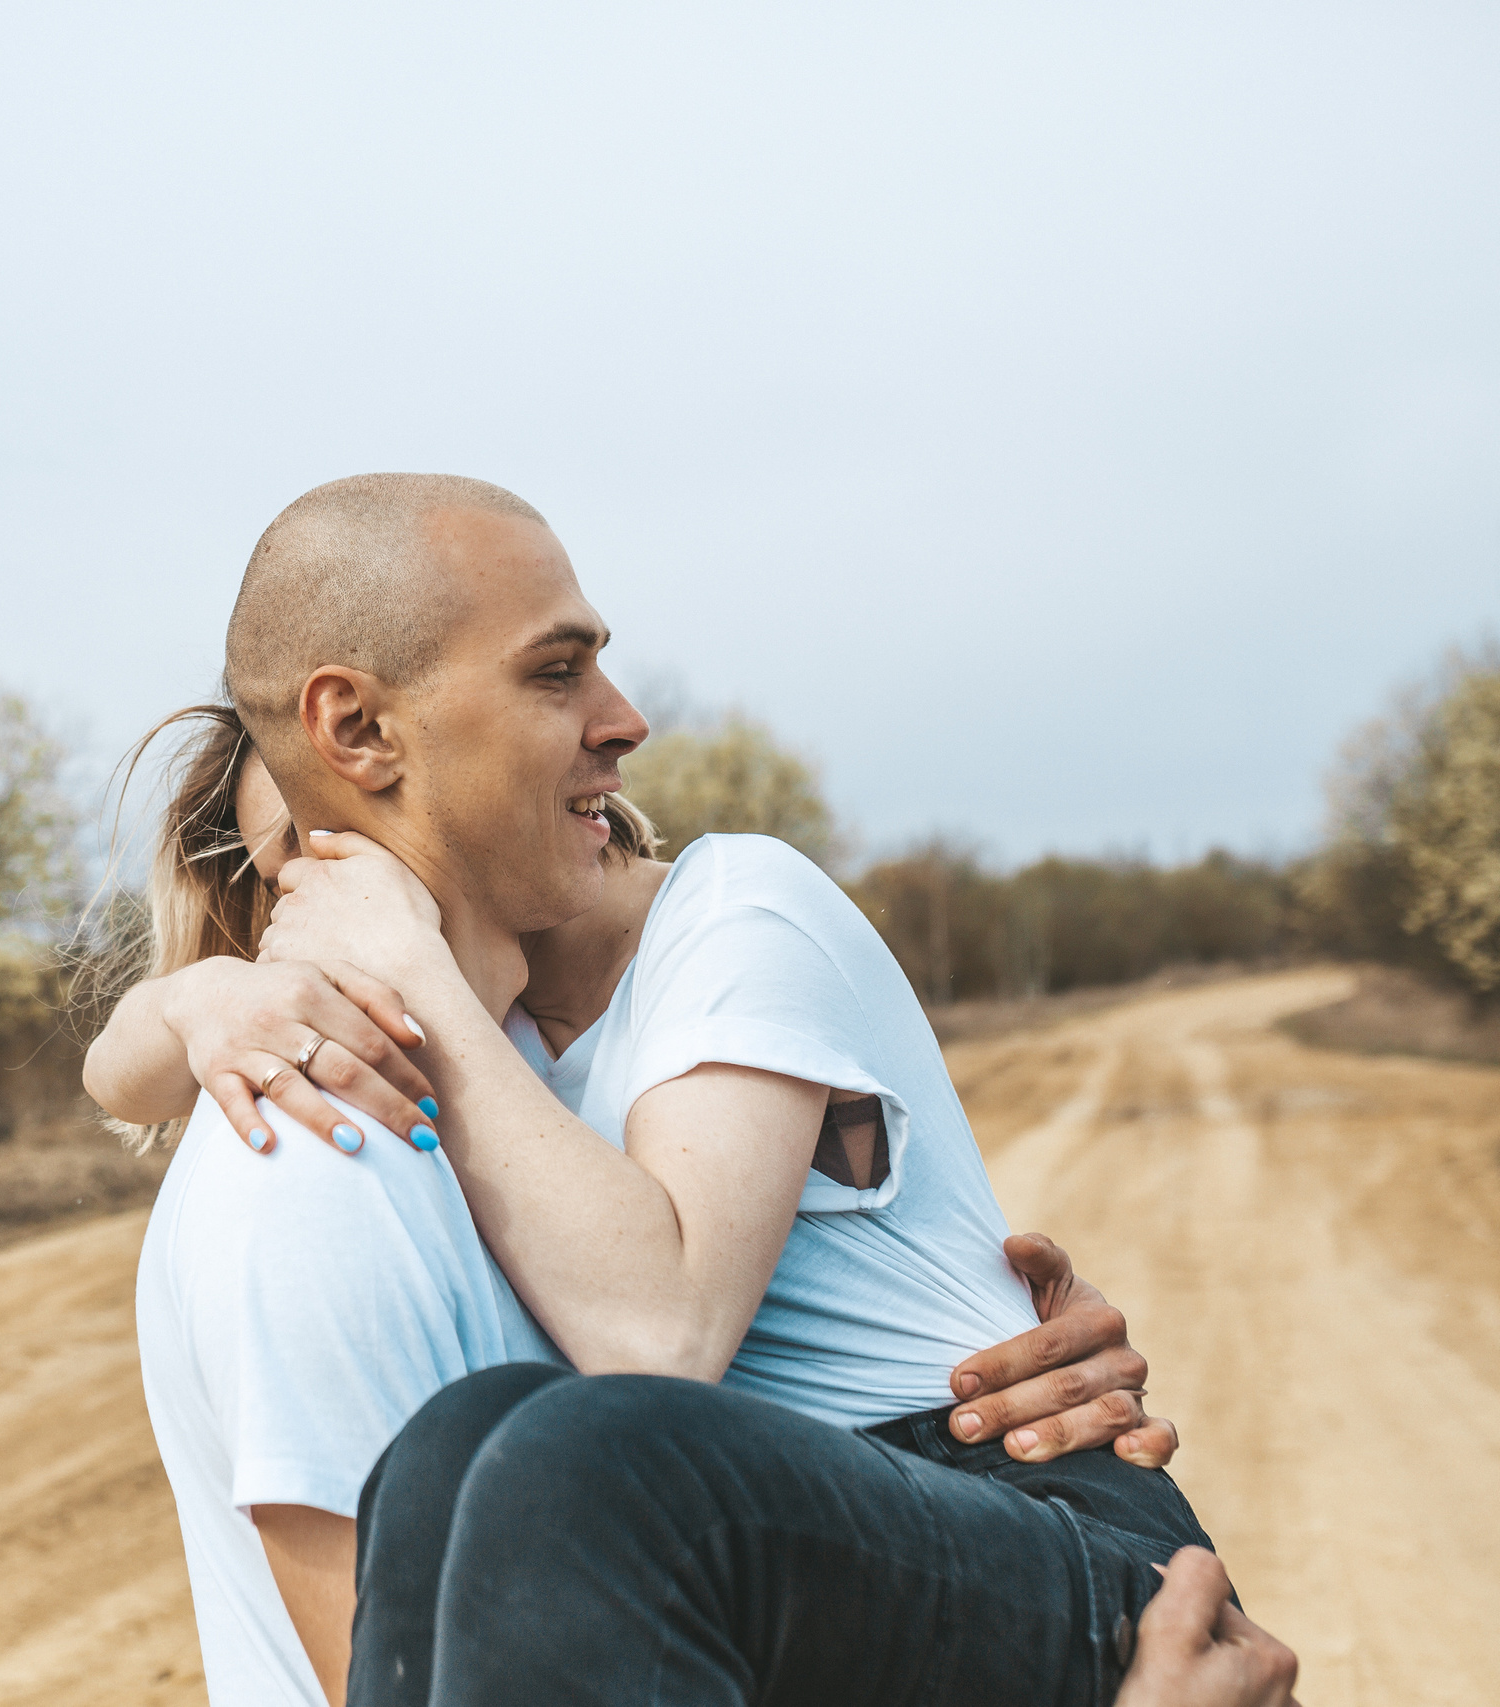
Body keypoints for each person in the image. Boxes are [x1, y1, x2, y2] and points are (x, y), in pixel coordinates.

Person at [104, 473, 1283, 1706]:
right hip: (785, 1553)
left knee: (562, 1458)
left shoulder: (731, 911)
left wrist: (412, 975)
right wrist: (193, 1003)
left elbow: (656, 1341)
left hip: (1013, 1511)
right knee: (472, 1450)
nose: (626, 720)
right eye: (554, 673)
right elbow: (126, 1071)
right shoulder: (408, 1091)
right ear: (357, 745)